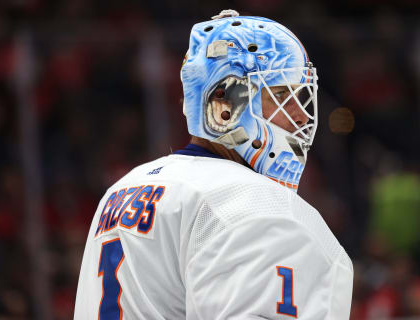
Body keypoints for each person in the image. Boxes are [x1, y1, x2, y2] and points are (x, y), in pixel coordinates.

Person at [74, 9, 353, 319]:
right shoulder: (259, 204)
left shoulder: (123, 189)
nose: (301, 116)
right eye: (281, 94)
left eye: (301, 98)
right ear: (225, 104)